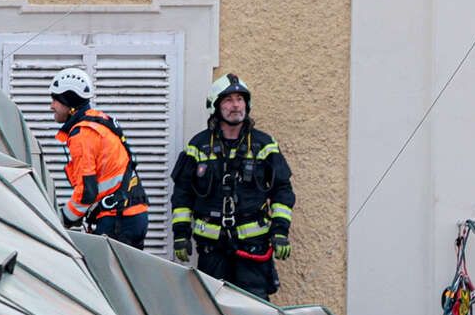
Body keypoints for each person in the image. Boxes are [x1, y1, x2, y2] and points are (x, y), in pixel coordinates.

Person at [169, 72, 295, 297]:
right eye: (228, 100)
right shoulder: (197, 146)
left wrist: (280, 231)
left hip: (253, 246)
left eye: (240, 99)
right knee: (213, 309)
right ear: (215, 106)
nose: (236, 105)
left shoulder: (264, 144)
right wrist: (180, 235)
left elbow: (282, 190)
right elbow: (182, 194)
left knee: (255, 310)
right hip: (211, 249)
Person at [48, 66, 150, 249]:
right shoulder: (97, 121)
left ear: (69, 101)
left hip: (117, 218)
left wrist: (62, 218)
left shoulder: (83, 134)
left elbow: (87, 191)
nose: (51, 106)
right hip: (127, 215)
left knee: (105, 277)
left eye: (55, 99)